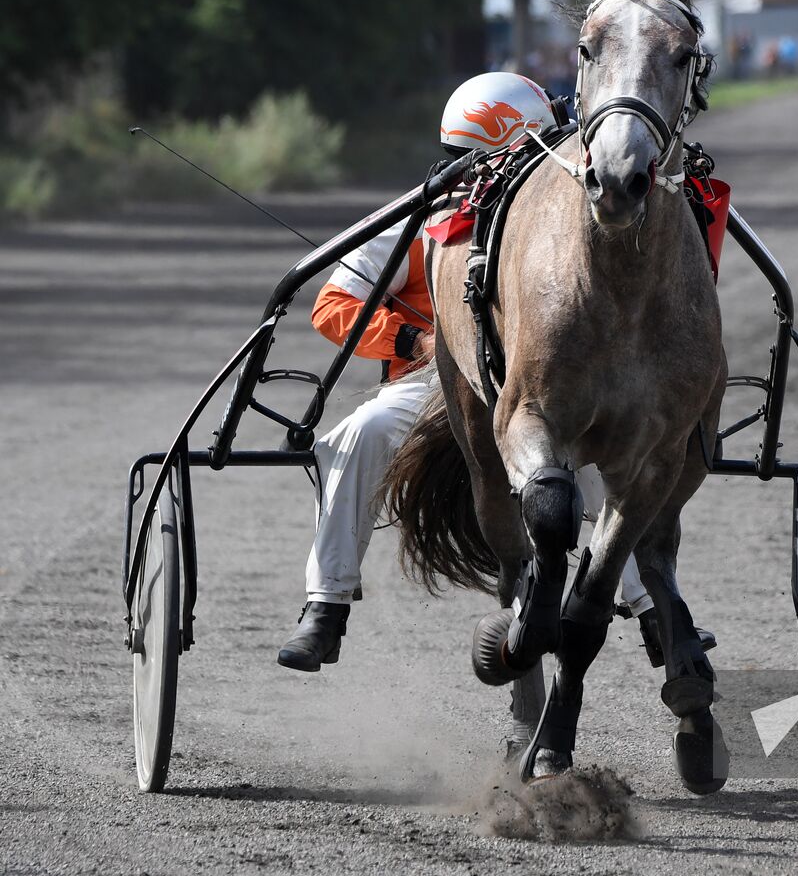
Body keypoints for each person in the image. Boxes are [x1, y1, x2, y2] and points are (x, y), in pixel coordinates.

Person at [277, 72, 713, 672]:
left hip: (548, 384)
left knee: (613, 464)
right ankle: (325, 609)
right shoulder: (428, 213)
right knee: (365, 431)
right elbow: (333, 306)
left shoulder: (560, 218)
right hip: (435, 382)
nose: (486, 179)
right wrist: (418, 338)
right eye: (471, 163)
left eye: (502, 161)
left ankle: (653, 610)